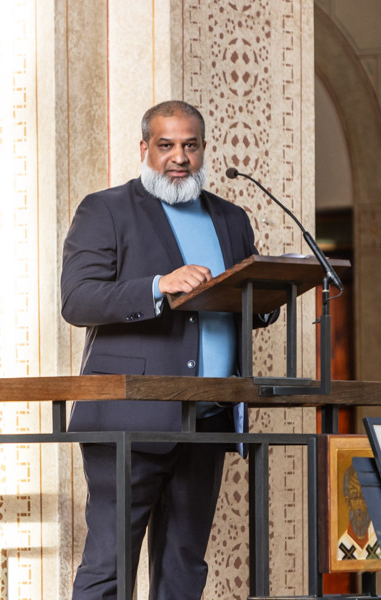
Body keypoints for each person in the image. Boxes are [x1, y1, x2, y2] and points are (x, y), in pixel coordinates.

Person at [61, 100, 277, 600]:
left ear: (203, 149)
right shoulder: (106, 209)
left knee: (184, 566)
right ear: (145, 149)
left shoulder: (231, 218)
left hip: (208, 418)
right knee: (110, 565)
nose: (179, 157)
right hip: (129, 417)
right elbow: (78, 299)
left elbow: (244, 301)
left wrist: (268, 300)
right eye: (166, 145)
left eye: (190, 145)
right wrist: (158, 285)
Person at [336, 465, 380, 561]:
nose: (359, 505)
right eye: (355, 497)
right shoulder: (340, 547)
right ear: (348, 502)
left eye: (364, 497)